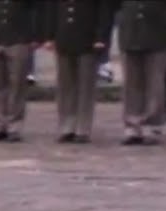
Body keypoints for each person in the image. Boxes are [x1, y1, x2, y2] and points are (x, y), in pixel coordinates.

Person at [41, 0, 115, 143]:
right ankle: (67, 126)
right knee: (65, 86)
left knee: (86, 86)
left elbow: (104, 11)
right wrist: (49, 36)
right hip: (64, 35)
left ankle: (83, 127)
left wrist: (101, 37)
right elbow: (50, 9)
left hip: (88, 37)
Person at [117, 0, 166, 145]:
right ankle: (132, 125)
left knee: (155, 81)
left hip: (159, 32)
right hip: (130, 30)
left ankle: (154, 125)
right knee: (131, 83)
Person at [0, 0, 40, 143]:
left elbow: (37, 10)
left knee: (17, 84)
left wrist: (36, 36)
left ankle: (14, 126)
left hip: (19, 37)